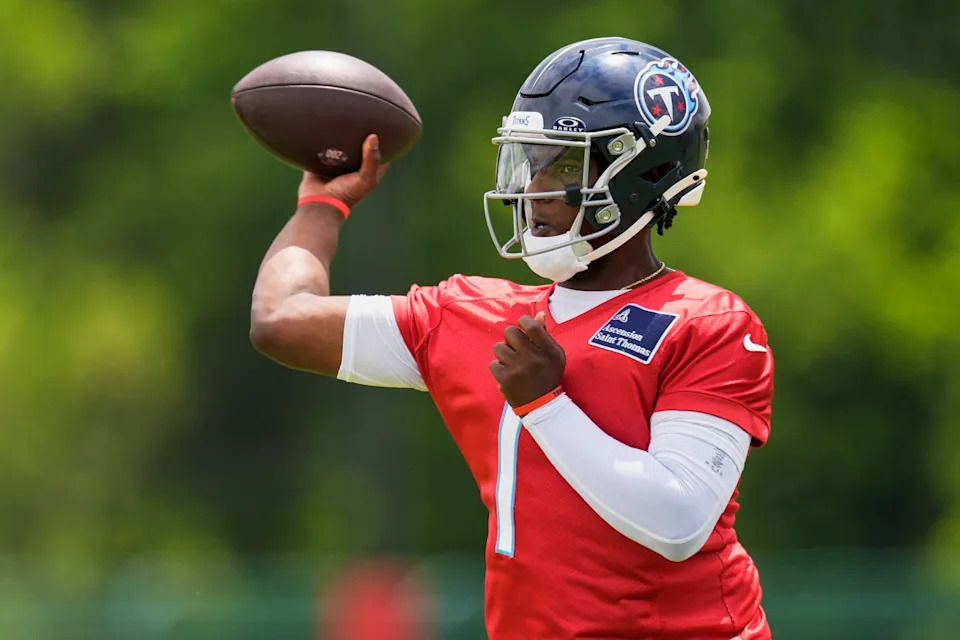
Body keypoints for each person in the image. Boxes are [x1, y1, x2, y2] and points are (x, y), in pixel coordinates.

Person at [251, 37, 774, 640]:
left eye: (566, 165)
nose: (534, 188)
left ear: (646, 173)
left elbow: (678, 521)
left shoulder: (709, 323)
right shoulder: (473, 314)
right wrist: (321, 205)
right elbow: (283, 318)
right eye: (530, 161)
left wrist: (547, 407)